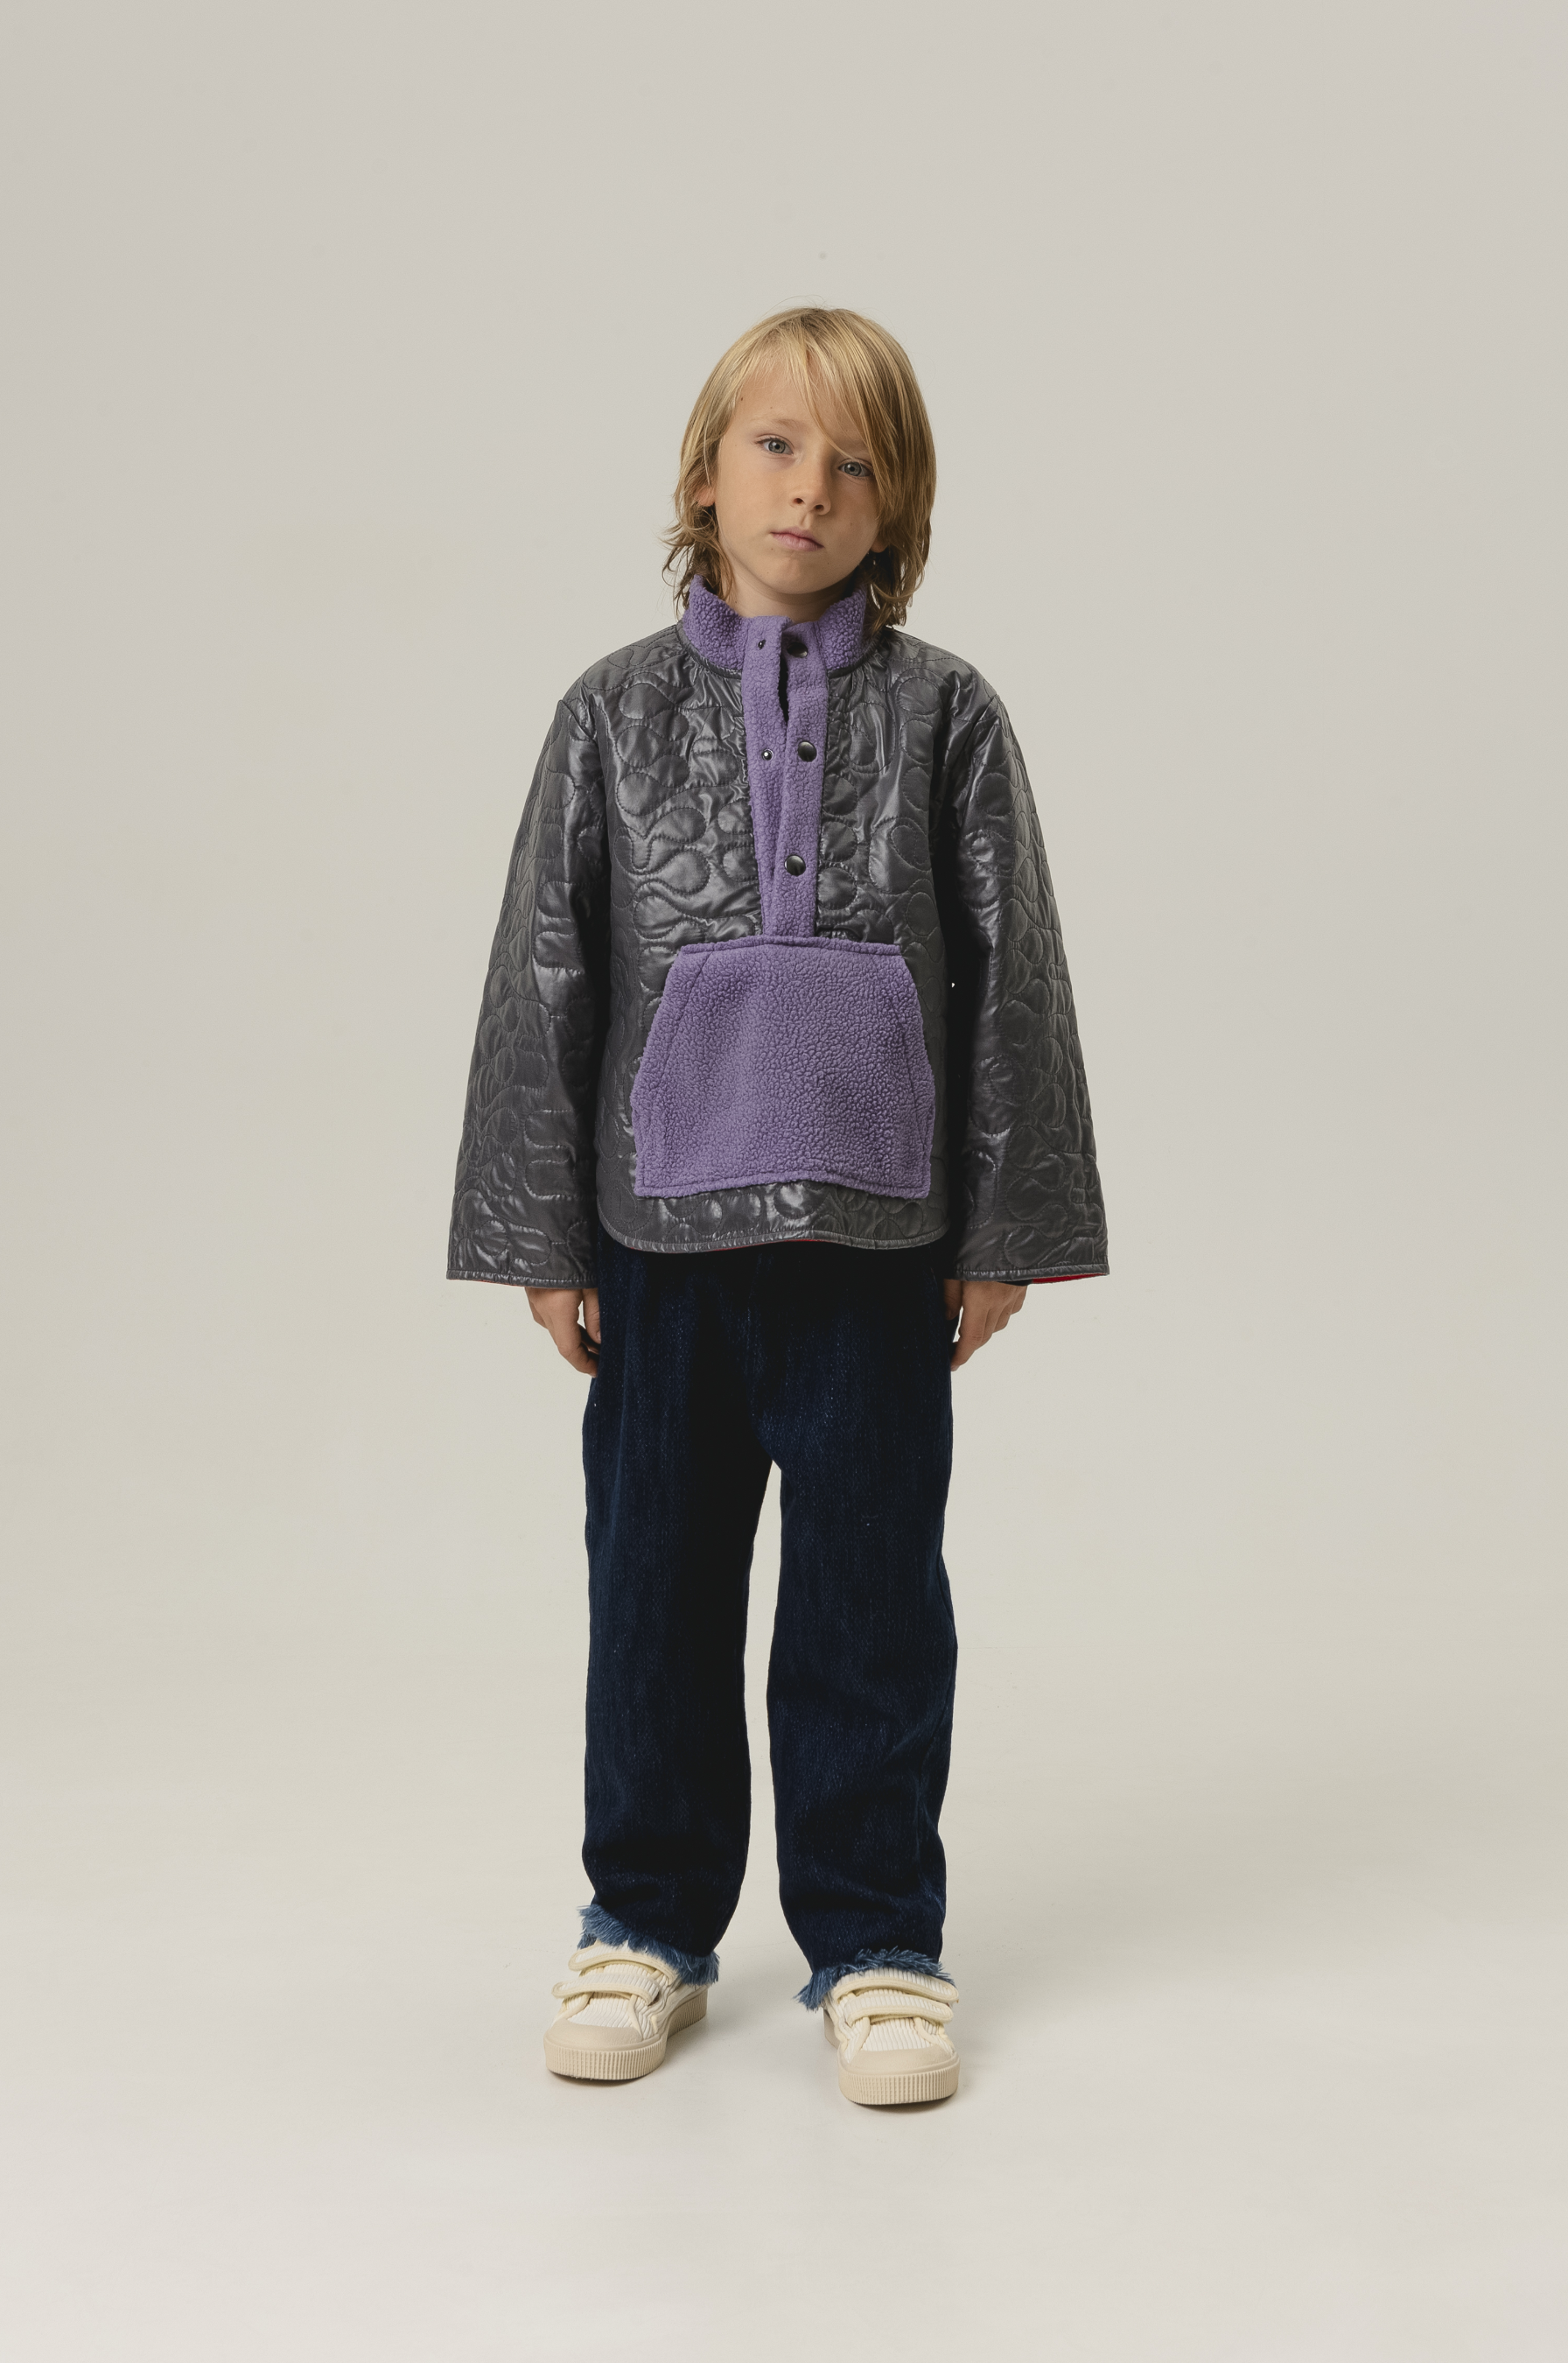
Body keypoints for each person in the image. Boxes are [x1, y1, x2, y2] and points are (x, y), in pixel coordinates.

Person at [447, 306, 1107, 2107]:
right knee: (655, 1593)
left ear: (900, 508)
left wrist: (1003, 1231)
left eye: (855, 462)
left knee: (869, 1607)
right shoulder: (609, 712)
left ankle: (879, 1938)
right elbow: (546, 974)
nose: (810, 487)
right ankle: (647, 1924)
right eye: (775, 445)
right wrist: (542, 1239)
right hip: (660, 1250)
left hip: (879, 1255)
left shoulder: (949, 713)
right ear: (702, 476)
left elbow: (1015, 978)